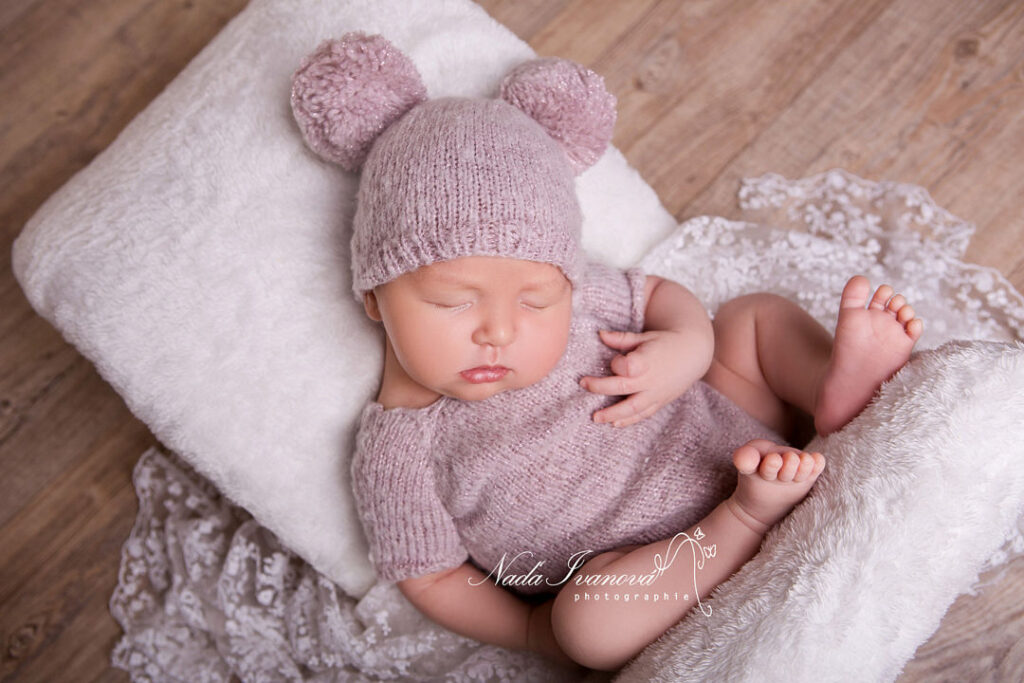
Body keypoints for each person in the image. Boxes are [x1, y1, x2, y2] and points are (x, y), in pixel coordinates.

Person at [291, 33, 923, 672]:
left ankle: (835, 396)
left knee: (749, 320)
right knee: (587, 624)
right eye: (454, 302)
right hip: (652, 574)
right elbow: (430, 576)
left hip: (733, 437)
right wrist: (539, 630)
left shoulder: (585, 295)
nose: (501, 331)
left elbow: (663, 296)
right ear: (375, 297)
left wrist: (684, 349)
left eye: (536, 300)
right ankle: (748, 521)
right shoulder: (399, 449)